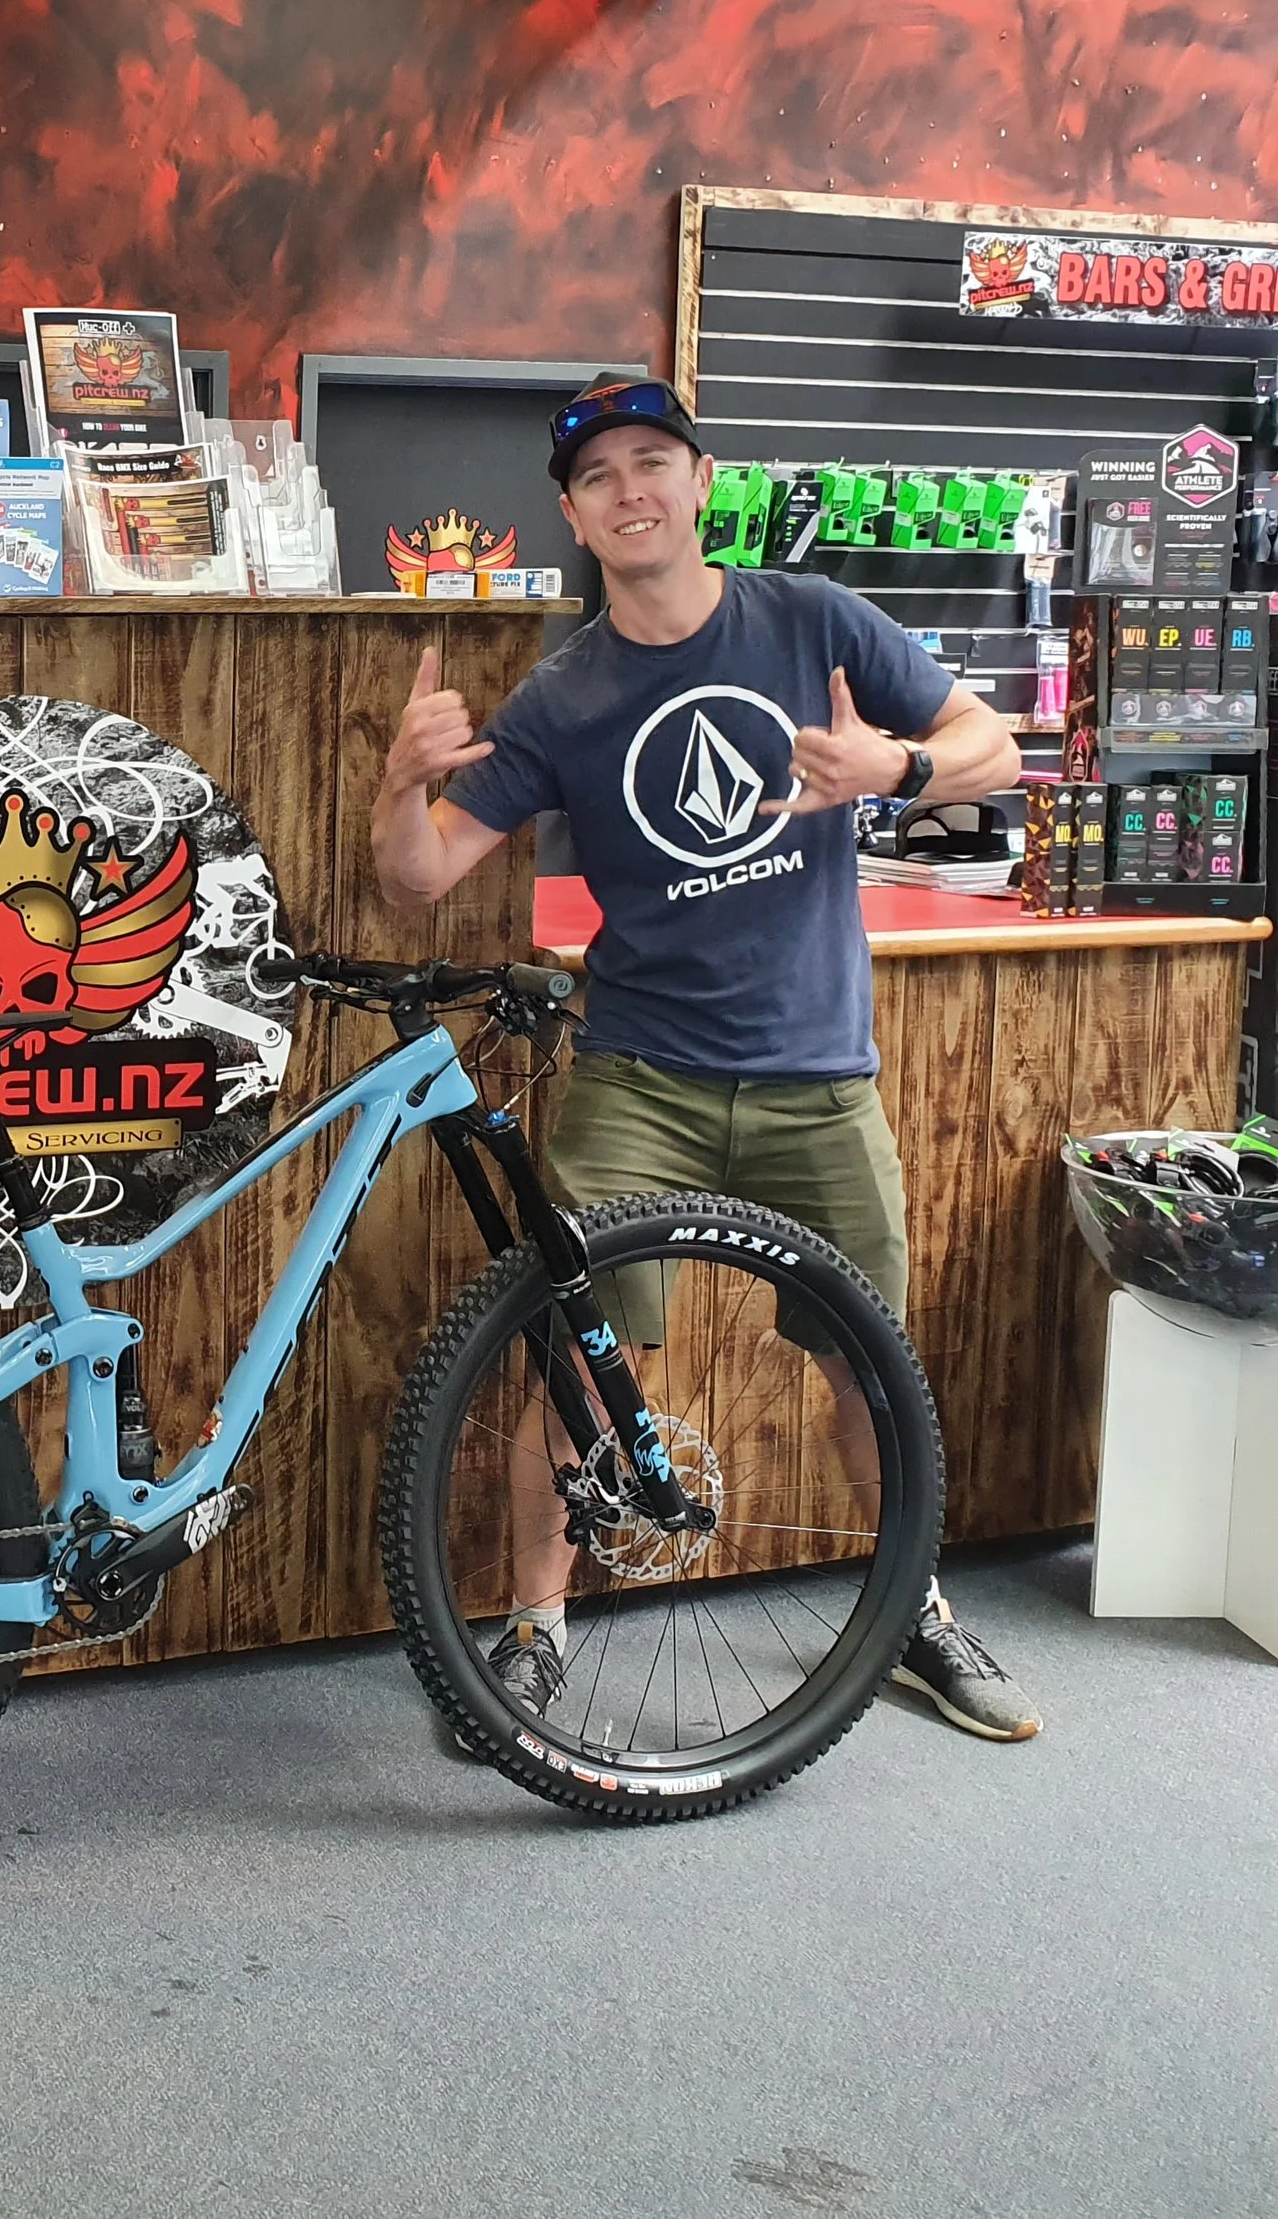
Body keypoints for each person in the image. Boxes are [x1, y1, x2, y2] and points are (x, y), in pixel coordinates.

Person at [369, 374, 1042, 1743]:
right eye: (601, 474)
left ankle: (913, 1611)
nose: (632, 488)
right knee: (577, 1360)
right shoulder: (564, 694)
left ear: (700, 479)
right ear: (573, 513)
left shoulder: (815, 621)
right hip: (640, 1082)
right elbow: (419, 881)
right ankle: (537, 1630)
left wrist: (893, 772)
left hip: (817, 1080)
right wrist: (397, 786)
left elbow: (999, 747)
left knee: (870, 1368)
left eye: (653, 461)